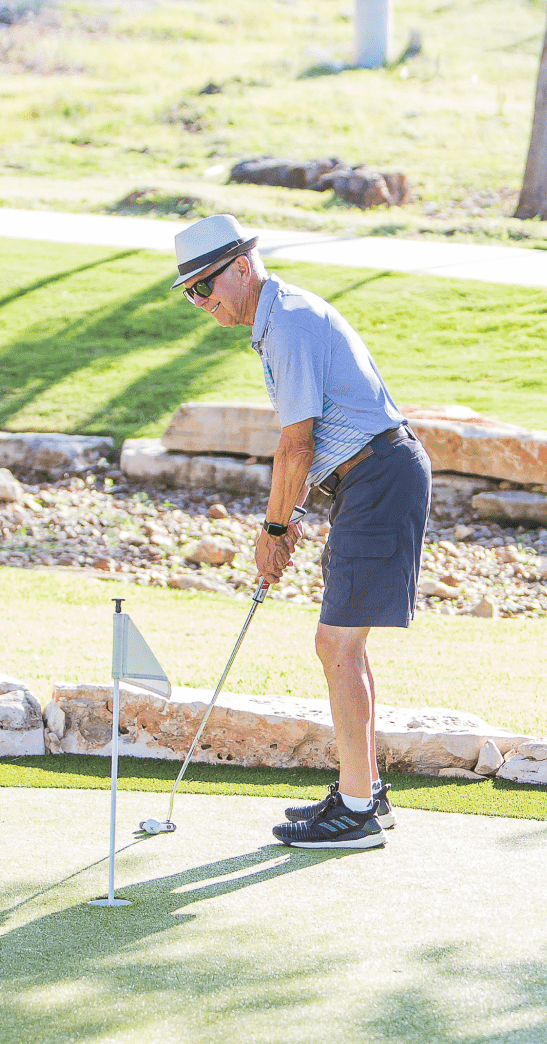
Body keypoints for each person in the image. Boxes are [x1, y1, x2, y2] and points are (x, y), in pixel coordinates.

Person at [171, 214, 431, 850]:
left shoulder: (285, 322)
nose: (202, 303)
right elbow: (308, 446)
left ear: (242, 265)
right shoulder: (277, 318)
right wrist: (286, 523)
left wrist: (275, 528)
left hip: (380, 478)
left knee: (335, 644)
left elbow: (297, 444)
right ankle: (361, 790)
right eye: (189, 294)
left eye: (206, 286)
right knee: (344, 646)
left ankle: (359, 810)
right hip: (367, 480)